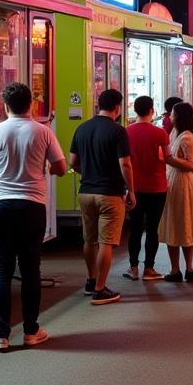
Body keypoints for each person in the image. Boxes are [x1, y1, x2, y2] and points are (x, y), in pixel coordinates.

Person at [0, 81, 67, 350]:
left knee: (1, 269)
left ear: (5, 105)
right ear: (32, 105)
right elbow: (61, 167)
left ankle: (2, 335)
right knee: (30, 270)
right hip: (31, 207)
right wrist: (45, 168)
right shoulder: (43, 132)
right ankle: (30, 332)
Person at [68, 89, 135, 305]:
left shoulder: (82, 128)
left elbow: (72, 162)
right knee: (106, 242)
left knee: (90, 239)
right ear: (117, 107)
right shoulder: (118, 131)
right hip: (110, 194)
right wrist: (131, 189)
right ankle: (100, 289)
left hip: (86, 192)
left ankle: (90, 280)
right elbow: (125, 163)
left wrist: (87, 172)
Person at [123, 96, 178, 282]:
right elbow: (168, 157)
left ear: (135, 110)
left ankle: (133, 267)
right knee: (152, 228)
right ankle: (149, 268)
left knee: (135, 228)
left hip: (134, 187)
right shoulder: (160, 133)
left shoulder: (126, 132)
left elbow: (124, 161)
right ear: (152, 111)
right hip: (157, 187)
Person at [159, 102, 193, 281]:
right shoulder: (175, 133)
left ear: (179, 116)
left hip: (182, 182)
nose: (170, 116)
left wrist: (169, 160)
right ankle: (177, 269)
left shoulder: (188, 138)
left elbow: (190, 164)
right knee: (176, 223)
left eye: (172, 114)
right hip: (173, 181)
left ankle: (185, 268)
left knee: (183, 222)